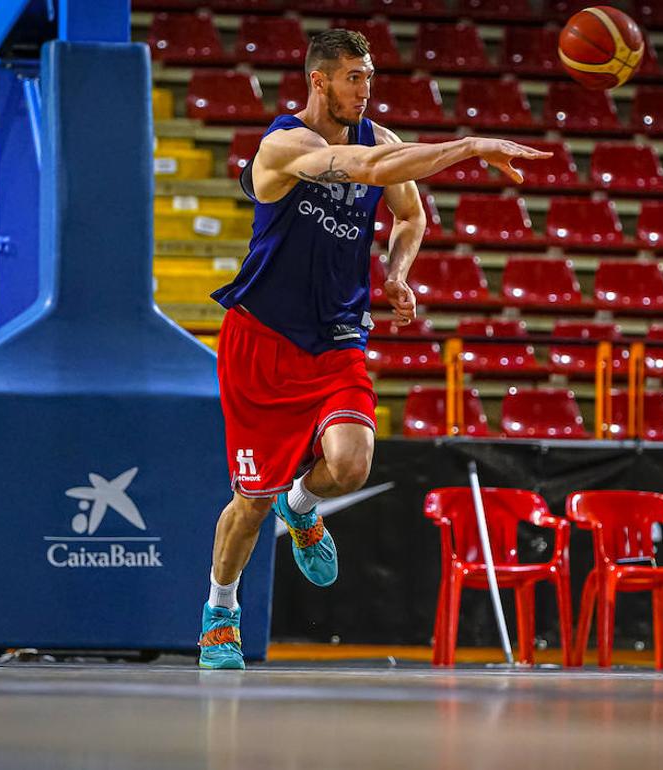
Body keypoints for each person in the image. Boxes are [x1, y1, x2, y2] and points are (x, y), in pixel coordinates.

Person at [198, 29, 551, 669]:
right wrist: (469, 146)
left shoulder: (381, 138)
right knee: (249, 502)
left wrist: (396, 273)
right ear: (319, 81)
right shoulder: (283, 145)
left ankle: (301, 506)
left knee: (354, 463)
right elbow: (367, 172)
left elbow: (410, 216)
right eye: (354, 78)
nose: (366, 89)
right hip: (263, 337)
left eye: (370, 77)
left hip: (336, 333)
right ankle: (221, 609)